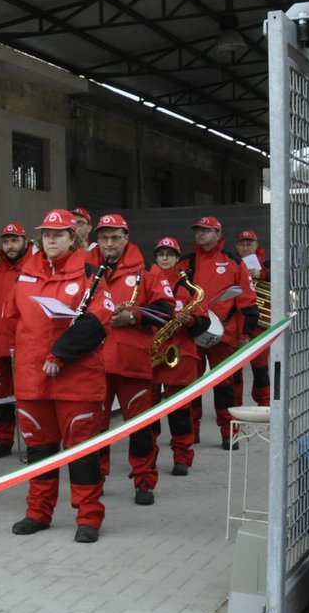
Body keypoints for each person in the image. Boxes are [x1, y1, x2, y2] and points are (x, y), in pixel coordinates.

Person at [4, 209, 112, 543]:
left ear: (73, 238)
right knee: (39, 450)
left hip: (76, 381)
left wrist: (60, 352)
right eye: (46, 235)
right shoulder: (24, 276)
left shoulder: (91, 273)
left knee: (81, 452)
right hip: (33, 380)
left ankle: (88, 517)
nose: (51, 240)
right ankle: (38, 512)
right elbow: (12, 320)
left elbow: (98, 322)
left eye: (59, 234)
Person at [92, 214, 174, 506]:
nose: (109, 243)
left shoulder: (148, 269)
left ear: (126, 238)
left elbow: (166, 309)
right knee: (95, 427)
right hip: (96, 362)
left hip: (132, 361)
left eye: (115, 237)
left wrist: (134, 316)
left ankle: (144, 481)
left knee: (139, 426)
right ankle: (94, 481)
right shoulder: (89, 268)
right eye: (104, 238)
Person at [185, 216, 256, 449]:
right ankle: (190, 433)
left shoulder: (234, 262)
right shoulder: (186, 263)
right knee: (190, 386)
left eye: (207, 230)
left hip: (224, 336)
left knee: (225, 386)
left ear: (218, 233)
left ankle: (229, 432)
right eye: (198, 230)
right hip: (191, 334)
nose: (201, 234)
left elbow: (246, 301)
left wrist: (244, 335)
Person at [150, 237, 211, 477]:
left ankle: (182, 457)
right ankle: (149, 456)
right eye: (160, 253)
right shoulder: (144, 282)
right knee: (149, 413)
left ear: (178, 259)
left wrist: (192, 320)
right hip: (152, 355)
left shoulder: (189, 289)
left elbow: (203, 323)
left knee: (180, 412)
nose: (165, 257)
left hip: (180, 356)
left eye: (170, 254)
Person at [0, 222, 28, 459]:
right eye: (6, 241)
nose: (10, 246)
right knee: (2, 398)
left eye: (15, 241)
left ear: (24, 241)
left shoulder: (33, 269)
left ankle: (35, 440)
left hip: (23, 346)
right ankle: (3, 439)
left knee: (29, 397)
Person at [234, 228, 272, 406]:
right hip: (237, 323)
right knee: (234, 369)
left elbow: (285, 280)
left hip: (260, 325)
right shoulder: (232, 264)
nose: (246, 247)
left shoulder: (268, 264)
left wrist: (261, 274)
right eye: (242, 244)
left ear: (257, 246)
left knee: (260, 368)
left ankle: (264, 402)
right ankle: (234, 404)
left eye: (250, 244)